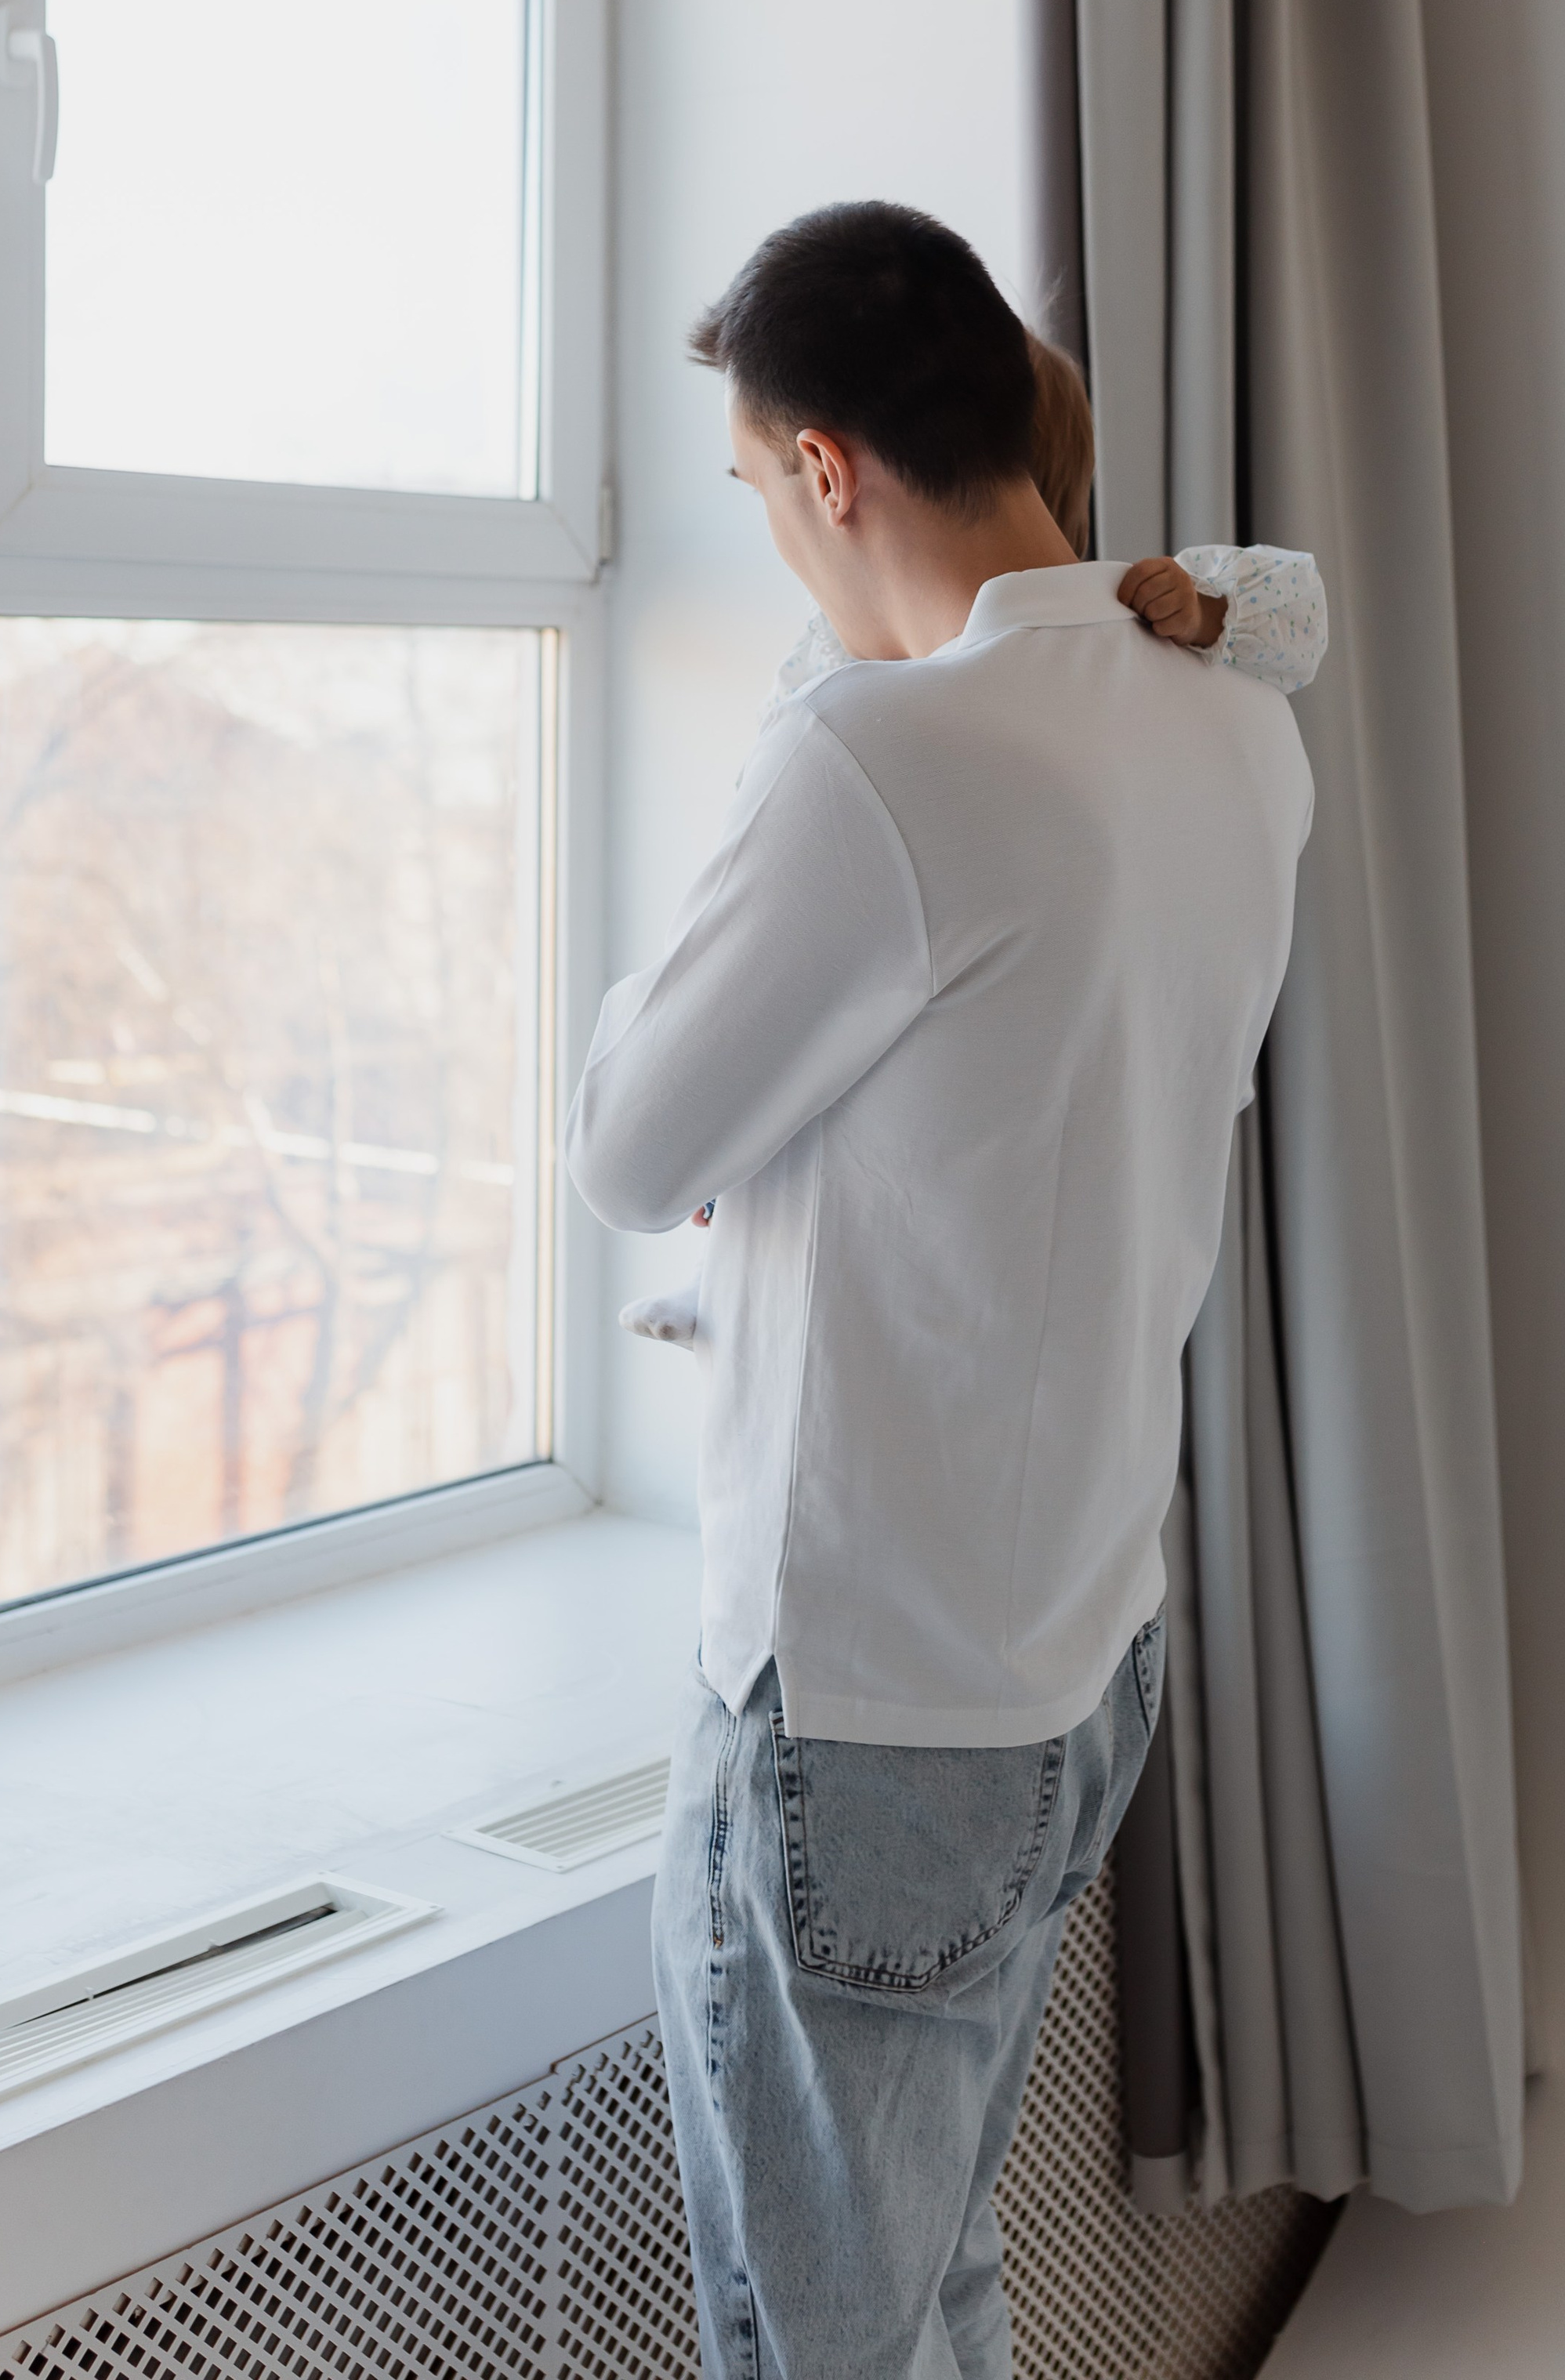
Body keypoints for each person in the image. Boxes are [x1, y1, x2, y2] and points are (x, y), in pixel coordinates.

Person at [565, 201, 1314, 2380]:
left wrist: (825, 694)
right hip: (1077, 1661)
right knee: (928, 2290)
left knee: (820, 2342)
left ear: (826, 467)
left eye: (755, 490)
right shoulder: (1229, 726)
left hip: (870, 1717)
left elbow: (632, 1142)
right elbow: (1004, 1115)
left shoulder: (884, 759)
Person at [621, 329, 1325, 1351]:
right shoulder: (845, 665)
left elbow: (1292, 608)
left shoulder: (1071, 676)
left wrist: (1206, 605)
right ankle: (718, 1264)